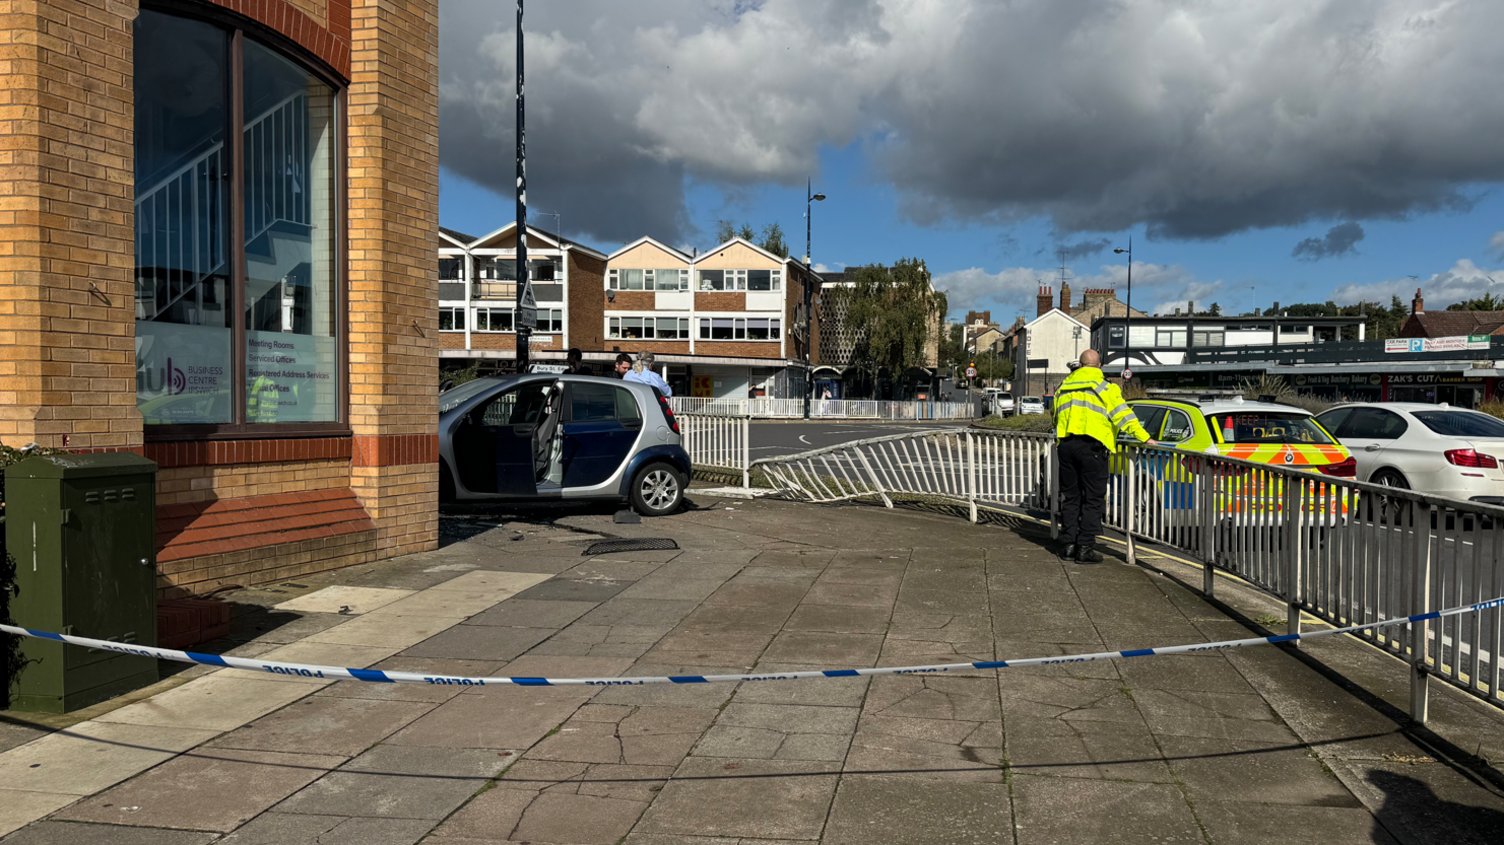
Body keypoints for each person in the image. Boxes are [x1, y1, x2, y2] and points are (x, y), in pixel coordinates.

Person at [1053, 349, 1155, 563]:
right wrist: (1145, 437)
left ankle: (1069, 546)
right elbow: (1123, 416)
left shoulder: (1063, 387)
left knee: (1071, 498)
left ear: (1080, 365)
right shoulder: (1106, 387)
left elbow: (1055, 416)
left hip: (1066, 445)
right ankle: (1085, 548)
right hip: (1093, 448)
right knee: (1093, 499)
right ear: (1099, 366)